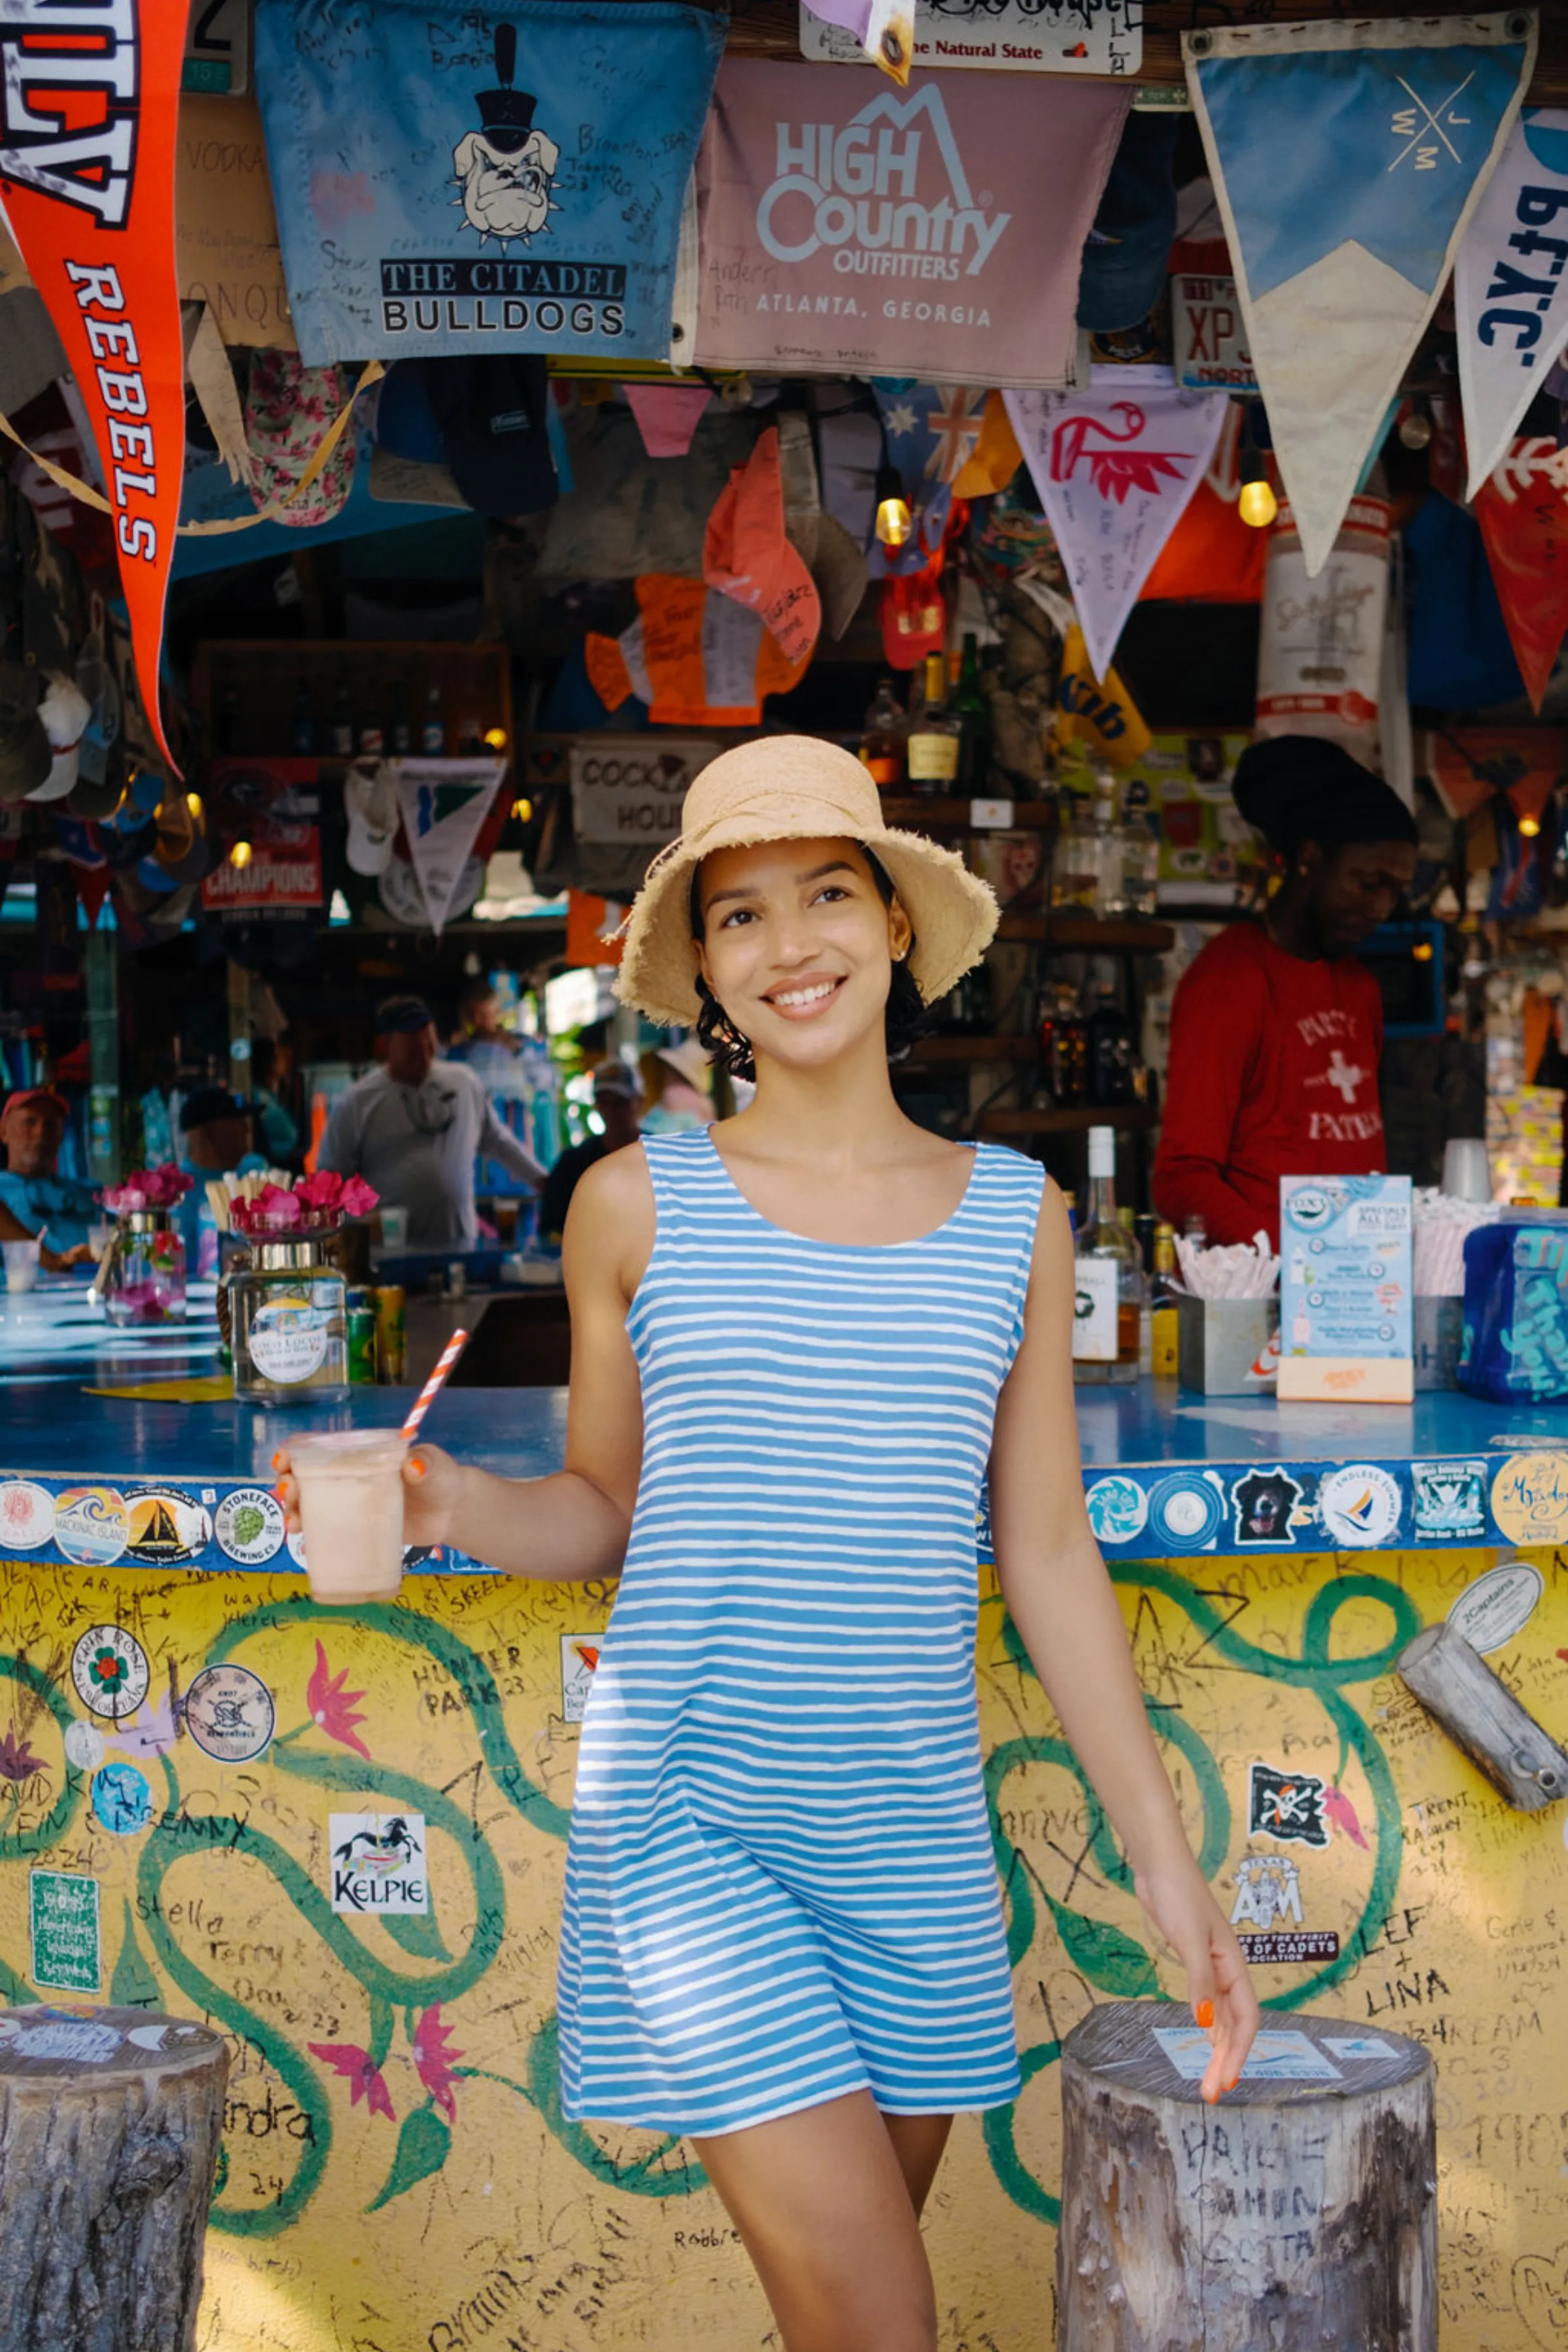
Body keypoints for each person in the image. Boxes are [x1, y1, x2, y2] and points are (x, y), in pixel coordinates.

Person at [280, 738, 1257, 2352]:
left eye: (823, 896)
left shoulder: (1015, 1216)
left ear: (890, 924)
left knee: (837, 2325)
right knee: (885, 2325)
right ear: (706, 975)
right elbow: (601, 1505)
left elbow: (1046, 1557)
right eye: (738, 916)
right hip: (694, 1824)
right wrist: (452, 1507)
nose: (787, 943)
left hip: (914, 1842)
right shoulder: (634, 1201)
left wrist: (1165, 1873)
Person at [1154, 735, 1419, 1248]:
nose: (1383, 908)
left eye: (1397, 891)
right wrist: (1290, 1261)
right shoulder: (1229, 981)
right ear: (1310, 858)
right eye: (1368, 883)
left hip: (1358, 1283)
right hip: (1264, 1293)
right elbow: (1182, 1178)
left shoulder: (1359, 987)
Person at [318, 994, 544, 1249]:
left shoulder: (463, 1082)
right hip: (391, 1252)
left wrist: (542, 1180)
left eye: (430, 1047)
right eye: (413, 1052)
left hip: (460, 1243)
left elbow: (498, 1141)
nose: (424, 1058)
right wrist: (357, 1221)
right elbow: (329, 1182)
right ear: (384, 1046)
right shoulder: (358, 1102)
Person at [536, 1060, 643, 1242]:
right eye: (604, 1102)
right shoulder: (573, 1163)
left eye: (620, 1103)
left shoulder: (661, 1157)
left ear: (639, 1102)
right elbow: (553, 1229)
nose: (611, 1111)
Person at [0, 1087, 98, 1266]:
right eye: (29, 1122)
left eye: (51, 1125)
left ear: (61, 1136)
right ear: (3, 1132)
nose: (41, 1133)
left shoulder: (91, 1193)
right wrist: (51, 1260)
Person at [177, 1086, 267, 1278]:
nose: (246, 1130)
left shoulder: (256, 1175)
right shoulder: (177, 1191)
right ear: (204, 1132)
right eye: (237, 1123)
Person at [448, 978, 523, 1075]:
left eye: (484, 1016)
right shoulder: (461, 1049)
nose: (477, 1021)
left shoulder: (516, 1046)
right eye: (473, 1015)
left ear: (497, 1012)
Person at [249, 1038, 301, 1168]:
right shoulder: (262, 1099)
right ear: (271, 1063)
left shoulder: (269, 1096)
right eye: (279, 1055)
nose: (286, 1059)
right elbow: (289, 1137)